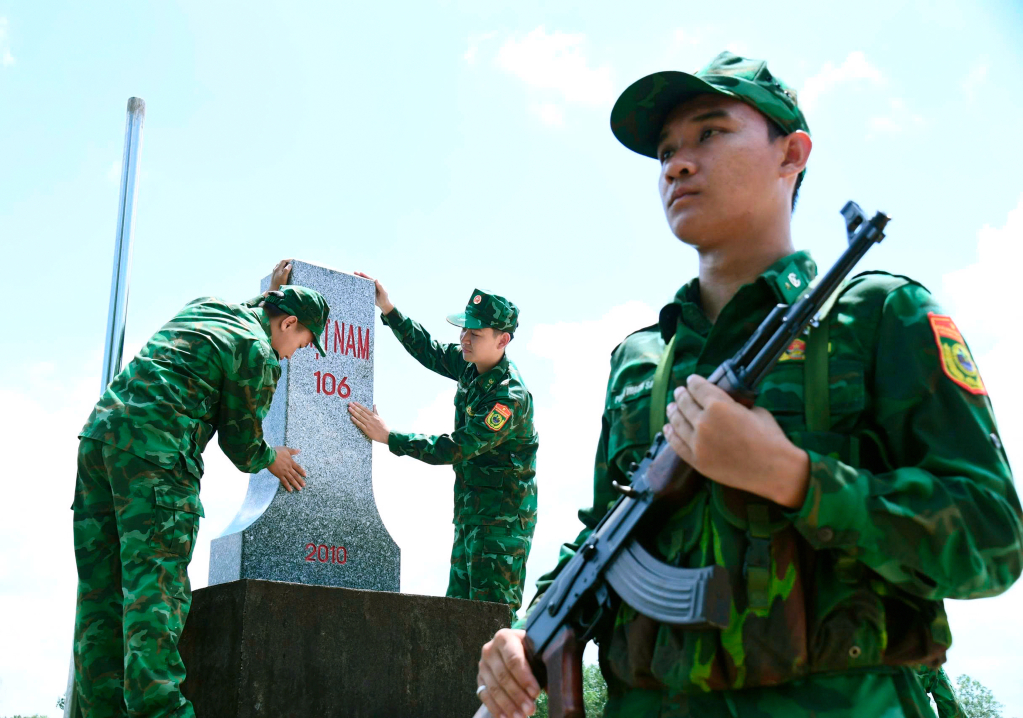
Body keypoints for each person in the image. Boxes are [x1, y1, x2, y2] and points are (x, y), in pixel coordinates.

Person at [475, 51, 1023, 718]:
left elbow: (992, 539)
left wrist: (794, 475)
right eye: (665, 151)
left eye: (709, 133)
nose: (677, 163)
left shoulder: (879, 316)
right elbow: (605, 528)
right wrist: (529, 628)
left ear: (791, 153)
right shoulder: (639, 360)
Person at [73, 260, 329, 718]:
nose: (295, 355)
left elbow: (252, 311)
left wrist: (271, 291)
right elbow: (242, 443)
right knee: (155, 596)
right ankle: (162, 712)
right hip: (157, 459)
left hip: (99, 441)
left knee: (101, 597)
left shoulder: (209, 307)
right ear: (288, 323)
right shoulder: (258, 351)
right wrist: (274, 458)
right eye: (304, 342)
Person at [348, 274, 537, 617]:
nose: (465, 339)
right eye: (464, 330)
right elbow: (431, 351)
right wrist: (388, 308)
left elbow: (457, 448)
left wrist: (391, 437)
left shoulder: (507, 397)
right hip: (470, 515)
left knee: (492, 618)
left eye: (475, 334)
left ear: (502, 340)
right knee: (459, 618)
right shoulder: (471, 367)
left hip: (501, 524)